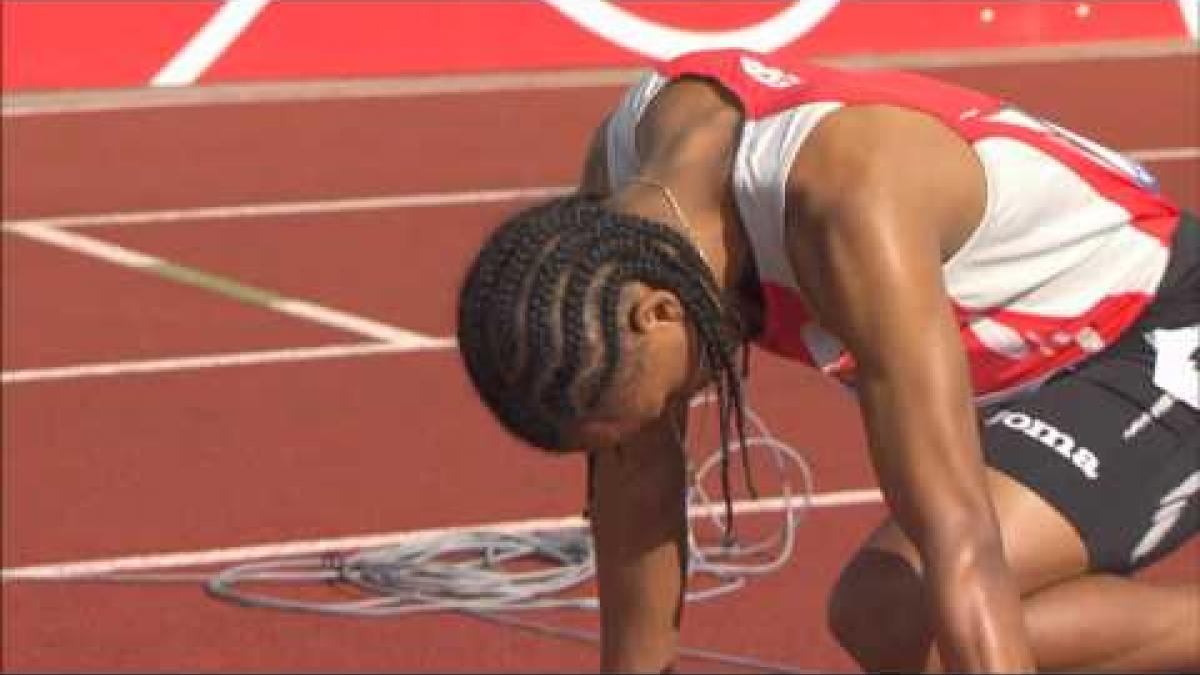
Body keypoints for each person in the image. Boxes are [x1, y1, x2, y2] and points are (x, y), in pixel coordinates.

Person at [455, 49, 1198, 673]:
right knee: (886, 618)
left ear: (658, 312)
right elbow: (637, 484)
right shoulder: (615, 216)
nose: (653, 429)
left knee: (913, 613)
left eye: (645, 411)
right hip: (1034, 367)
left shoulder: (849, 206)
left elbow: (956, 536)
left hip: (1160, 328)